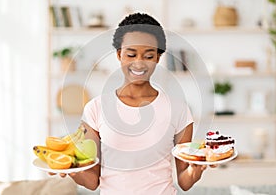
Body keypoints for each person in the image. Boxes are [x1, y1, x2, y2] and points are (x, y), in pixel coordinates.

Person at [57, 12, 209, 194]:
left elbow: (184, 181)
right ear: (119, 55)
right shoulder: (95, 109)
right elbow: (92, 181)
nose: (139, 63)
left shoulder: (178, 110)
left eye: (149, 56)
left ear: (158, 58)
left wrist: (197, 168)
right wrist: (70, 170)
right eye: (131, 54)